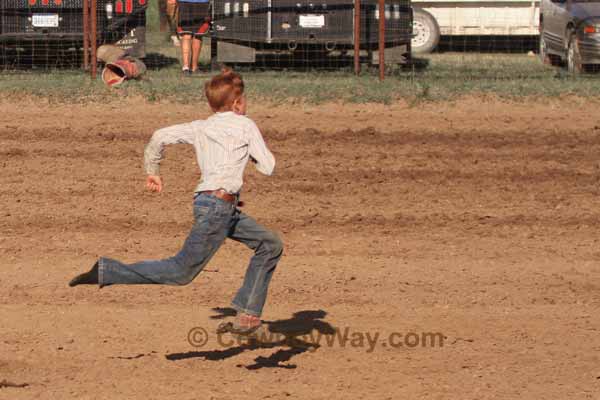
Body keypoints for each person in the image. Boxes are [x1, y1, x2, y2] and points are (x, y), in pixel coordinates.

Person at [69, 69, 283, 335]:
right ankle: (108, 271)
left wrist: (153, 171)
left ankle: (248, 316)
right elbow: (269, 166)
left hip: (209, 204)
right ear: (238, 103)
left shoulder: (201, 127)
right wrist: (250, 155)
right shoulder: (245, 125)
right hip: (219, 208)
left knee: (269, 244)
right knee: (181, 272)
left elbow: (159, 136)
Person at [176, 0, 211, 74]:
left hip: (202, 2)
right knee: (186, 34)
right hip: (185, 2)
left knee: (198, 34)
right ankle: (186, 67)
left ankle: (194, 67)